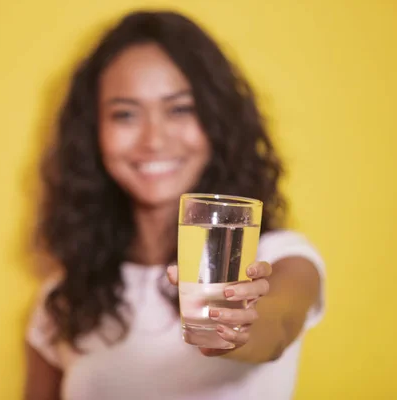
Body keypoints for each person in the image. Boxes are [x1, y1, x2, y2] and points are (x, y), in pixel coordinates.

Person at [24, 9, 325, 400]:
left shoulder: (279, 257)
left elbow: (277, 326)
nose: (153, 139)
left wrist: (237, 330)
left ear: (217, 122)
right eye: (125, 114)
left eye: (180, 108)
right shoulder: (61, 300)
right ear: (92, 134)